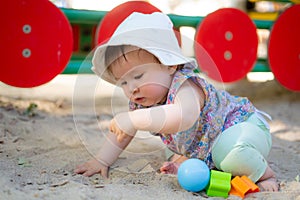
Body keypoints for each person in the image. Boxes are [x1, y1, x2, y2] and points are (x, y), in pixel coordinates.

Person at [74, 12, 278, 192]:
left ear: (170, 66)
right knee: (175, 152)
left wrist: (134, 119)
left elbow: (183, 117)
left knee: (229, 155)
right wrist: (101, 160)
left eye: (138, 76)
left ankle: (265, 174)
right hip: (209, 143)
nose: (131, 88)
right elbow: (122, 131)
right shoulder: (141, 101)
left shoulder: (185, 85)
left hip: (243, 128)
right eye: (123, 82)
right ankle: (196, 160)